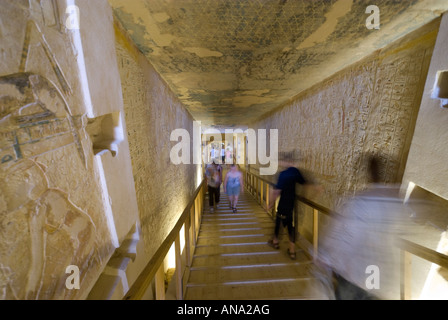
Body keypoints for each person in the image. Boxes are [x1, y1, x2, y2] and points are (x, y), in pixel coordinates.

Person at [266, 151, 323, 260]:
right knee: (288, 223)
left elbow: (277, 191)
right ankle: (289, 249)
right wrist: (307, 195)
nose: (279, 163)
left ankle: (278, 243)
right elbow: (306, 183)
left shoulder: (282, 174)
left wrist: (270, 204)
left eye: (280, 161)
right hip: (292, 204)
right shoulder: (296, 172)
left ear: (285, 161)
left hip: (283, 203)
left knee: (280, 221)